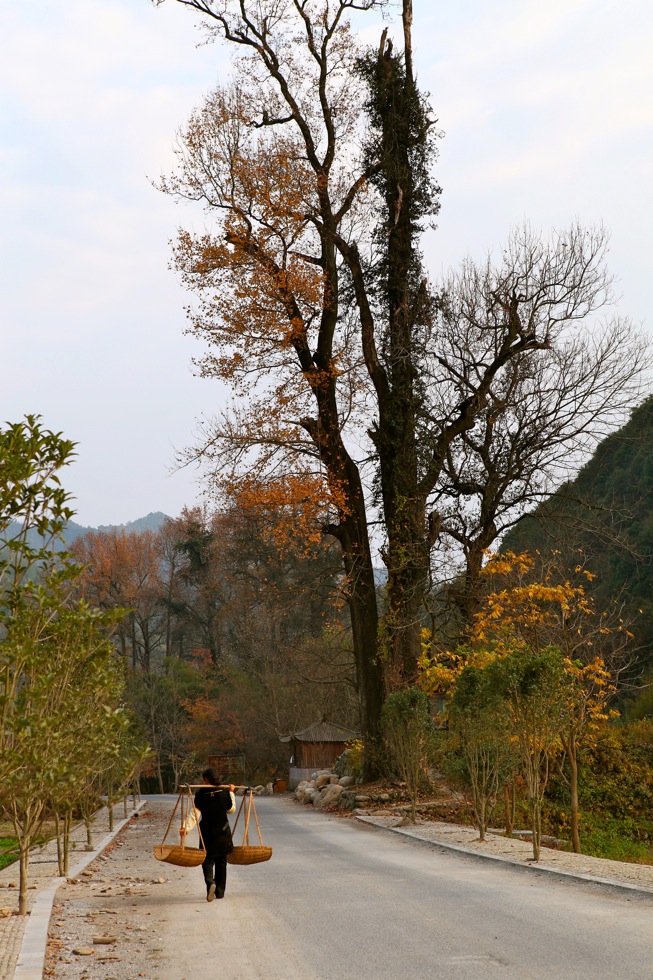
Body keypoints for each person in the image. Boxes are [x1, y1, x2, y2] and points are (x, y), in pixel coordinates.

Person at [181, 767, 236, 901]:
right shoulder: (224, 792)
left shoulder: (201, 795)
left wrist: (185, 828)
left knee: (207, 860)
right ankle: (220, 891)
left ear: (206, 779)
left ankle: (210, 882)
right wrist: (231, 792)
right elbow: (231, 809)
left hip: (207, 832)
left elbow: (195, 813)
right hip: (223, 831)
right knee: (221, 861)